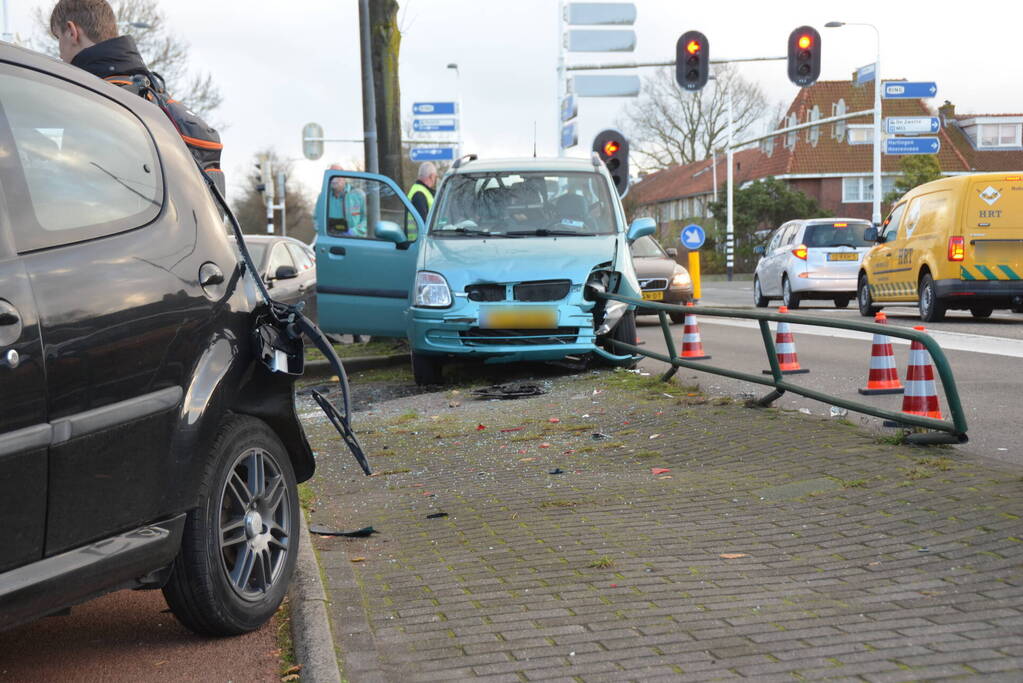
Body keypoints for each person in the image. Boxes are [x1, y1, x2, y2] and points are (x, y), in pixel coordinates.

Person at [50, 0, 149, 80]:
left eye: (59, 38)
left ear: (72, 32)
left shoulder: (84, 93)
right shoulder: (148, 87)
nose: (61, 55)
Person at [314, 163, 367, 237]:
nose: (334, 178)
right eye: (331, 175)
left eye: (337, 174)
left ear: (344, 177)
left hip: (355, 241)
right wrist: (325, 231)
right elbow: (316, 220)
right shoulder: (323, 197)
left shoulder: (358, 195)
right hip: (331, 240)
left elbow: (367, 219)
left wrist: (354, 232)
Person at [406, 162, 437, 240]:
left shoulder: (419, 190)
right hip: (418, 243)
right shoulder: (419, 194)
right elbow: (424, 224)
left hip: (417, 241)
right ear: (431, 177)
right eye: (435, 177)